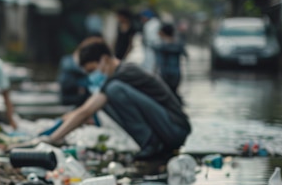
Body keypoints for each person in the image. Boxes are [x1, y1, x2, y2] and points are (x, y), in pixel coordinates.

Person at [41, 37, 191, 161]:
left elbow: (85, 112)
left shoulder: (125, 73)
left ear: (105, 59)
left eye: (92, 70)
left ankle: (150, 144)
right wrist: (50, 134)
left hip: (175, 129)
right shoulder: (114, 78)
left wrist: (53, 138)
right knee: (103, 98)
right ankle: (151, 144)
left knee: (112, 90)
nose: (92, 75)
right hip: (166, 129)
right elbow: (84, 109)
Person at [153, 23, 187, 101]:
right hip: (176, 74)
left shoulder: (160, 46)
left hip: (164, 74)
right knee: (173, 93)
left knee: (166, 95)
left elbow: (157, 62)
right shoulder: (178, 45)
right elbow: (185, 55)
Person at [140, 9, 161, 73]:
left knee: (150, 65)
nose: (141, 19)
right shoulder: (155, 22)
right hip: (152, 47)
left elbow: (151, 38)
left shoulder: (151, 24)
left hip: (152, 46)